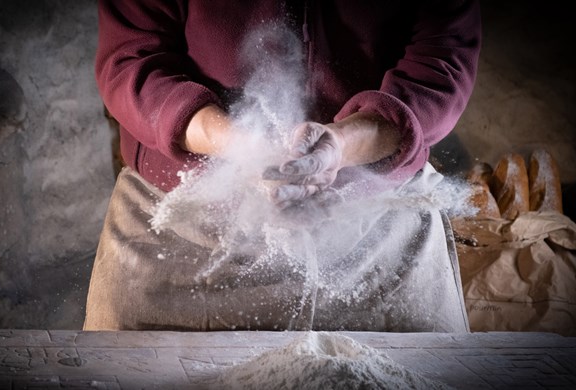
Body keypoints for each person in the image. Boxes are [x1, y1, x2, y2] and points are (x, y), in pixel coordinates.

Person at [84, 0, 482, 332]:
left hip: (376, 232)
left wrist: (342, 144)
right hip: (180, 230)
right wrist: (239, 144)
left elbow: (441, 59)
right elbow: (132, 58)